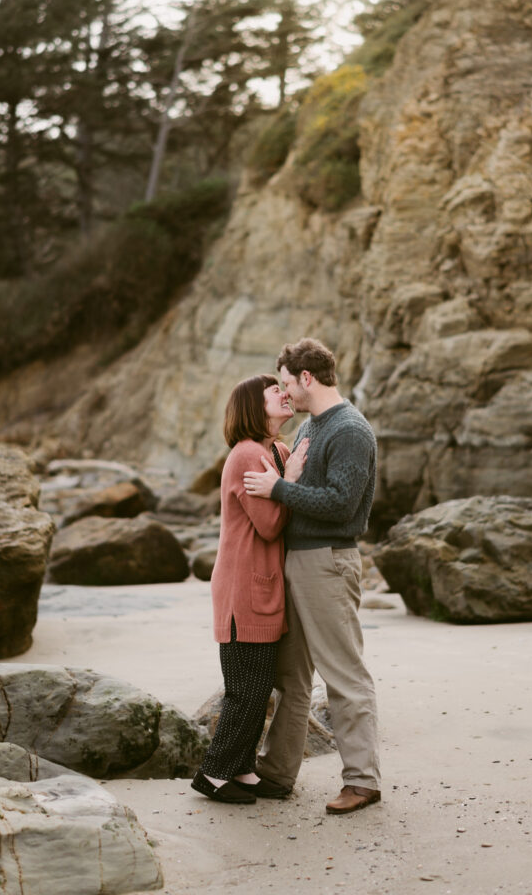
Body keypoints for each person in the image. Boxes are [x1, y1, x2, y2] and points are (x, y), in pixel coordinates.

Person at [243, 337, 381, 815]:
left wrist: (278, 488)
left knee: (343, 674)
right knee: (291, 676)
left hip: (328, 562)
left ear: (306, 378)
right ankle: (277, 773)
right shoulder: (307, 428)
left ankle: (362, 782)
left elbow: (342, 504)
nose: (284, 393)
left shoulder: (350, 431)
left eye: (286, 383)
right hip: (297, 562)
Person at [191, 373, 309, 804]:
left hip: (264, 585)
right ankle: (213, 774)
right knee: (247, 689)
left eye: (284, 387)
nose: (283, 393)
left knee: (259, 686)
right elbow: (270, 523)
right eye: (273, 391)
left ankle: (241, 768)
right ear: (252, 406)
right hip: (243, 587)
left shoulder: (275, 450)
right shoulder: (245, 455)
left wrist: (288, 474)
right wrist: (291, 481)